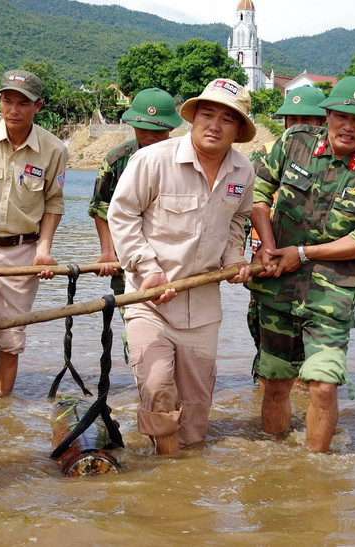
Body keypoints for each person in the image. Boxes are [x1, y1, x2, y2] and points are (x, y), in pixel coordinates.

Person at [248, 76, 355, 453]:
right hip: (276, 286)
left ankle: (316, 467)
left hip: (331, 296)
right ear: (328, 115)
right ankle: (275, 464)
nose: (349, 126)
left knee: (323, 385)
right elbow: (258, 192)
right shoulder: (293, 142)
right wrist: (267, 245)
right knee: (275, 383)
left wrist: (303, 253)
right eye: (342, 116)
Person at [108, 78, 256, 455]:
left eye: (227, 119)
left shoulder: (243, 171)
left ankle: (183, 470)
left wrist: (234, 257)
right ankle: (164, 468)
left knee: (195, 410)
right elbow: (122, 214)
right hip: (150, 301)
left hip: (203, 307)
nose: (215, 125)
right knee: (157, 386)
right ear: (193, 117)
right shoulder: (153, 160)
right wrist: (148, 269)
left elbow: (238, 219)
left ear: (239, 130)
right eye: (207, 114)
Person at [0, 70, 68, 399]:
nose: (13, 110)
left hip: (22, 251)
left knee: (10, 339)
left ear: (38, 106)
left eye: (23, 104)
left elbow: (54, 201)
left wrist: (44, 250)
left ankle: (1, 406)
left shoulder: (53, 149)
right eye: (7, 101)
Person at [89, 87, 183, 361]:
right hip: (129, 260)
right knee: (136, 331)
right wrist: (108, 252)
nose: (150, 136)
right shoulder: (117, 160)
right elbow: (101, 208)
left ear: (171, 128)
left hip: (174, 260)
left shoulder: (184, 159)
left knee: (182, 332)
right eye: (143, 129)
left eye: (158, 130)